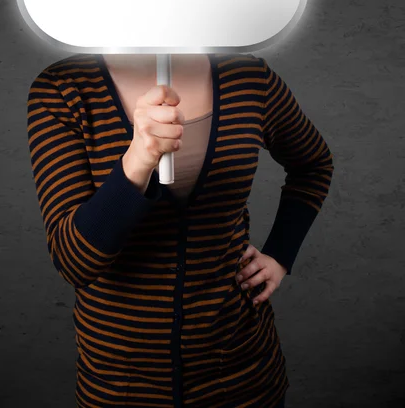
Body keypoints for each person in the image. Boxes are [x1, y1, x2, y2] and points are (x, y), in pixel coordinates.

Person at [27, 52, 334, 407]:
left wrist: (280, 254)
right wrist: (138, 160)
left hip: (242, 376)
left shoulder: (249, 77)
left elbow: (313, 163)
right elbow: (73, 261)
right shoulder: (63, 89)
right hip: (121, 387)